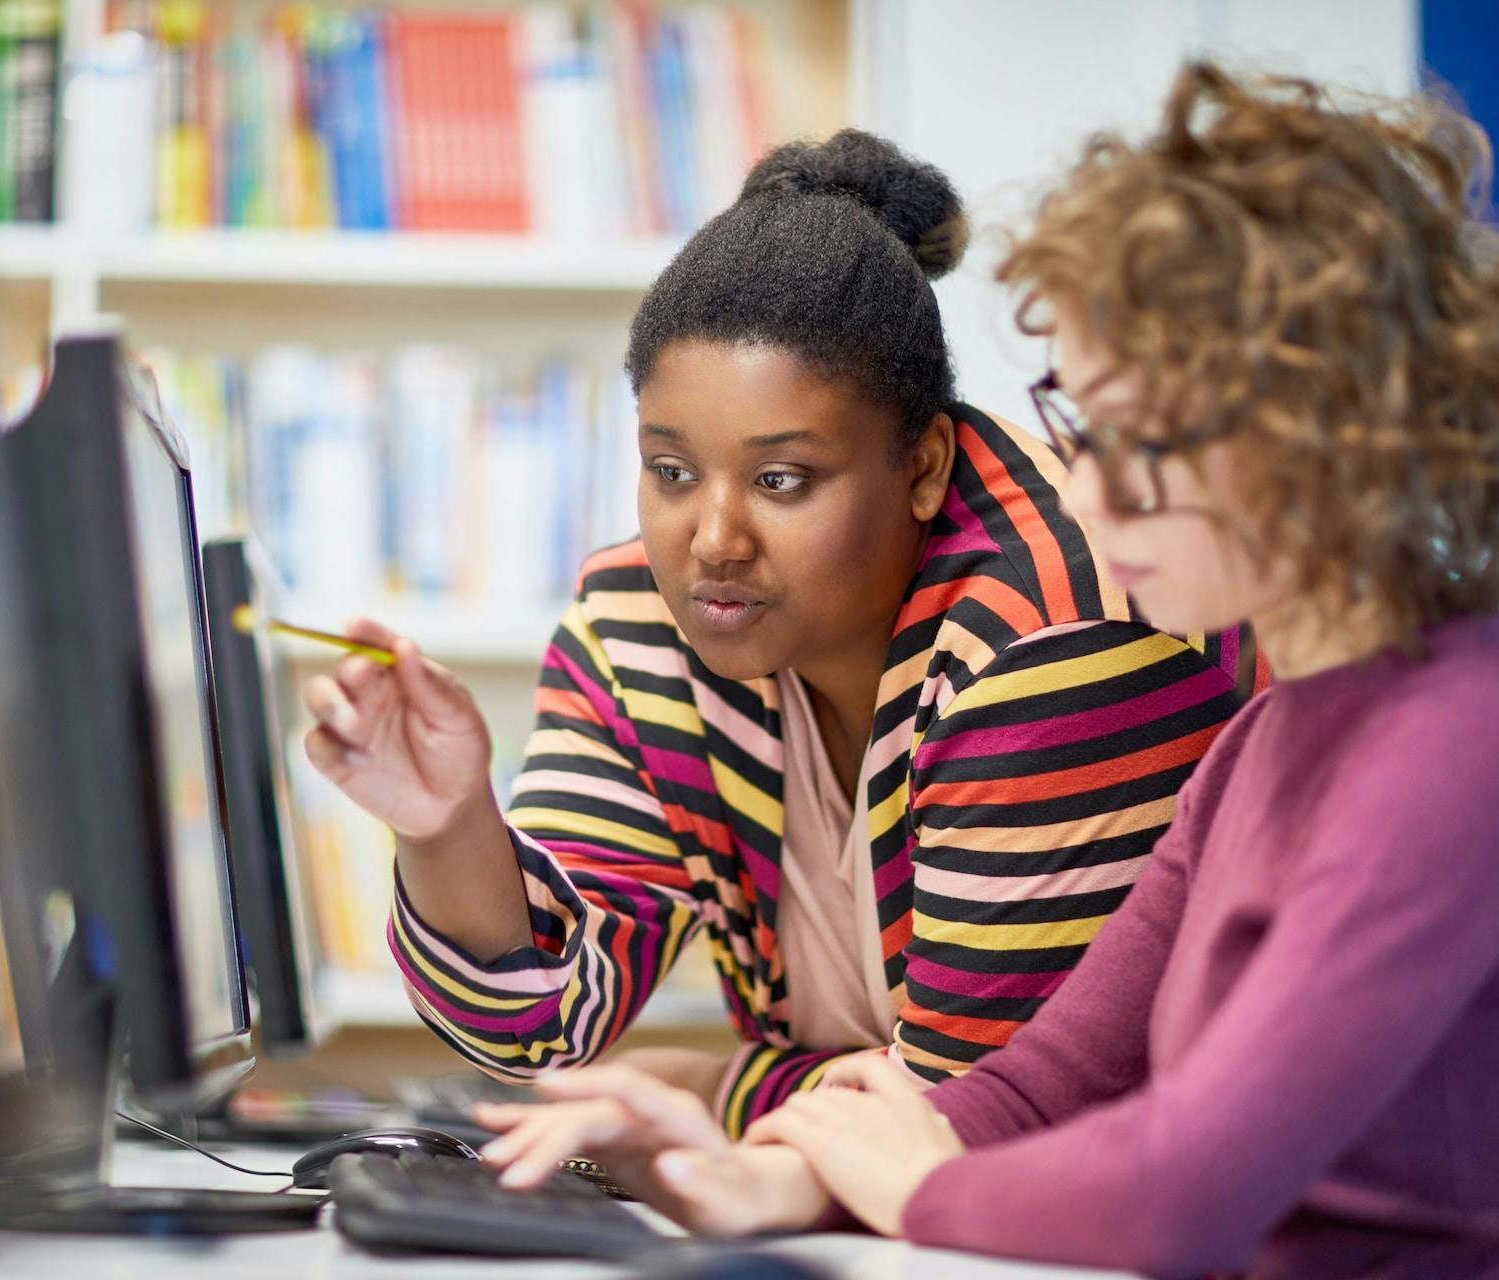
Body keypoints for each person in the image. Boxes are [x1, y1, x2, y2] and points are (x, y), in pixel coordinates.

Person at [478, 63, 1499, 1278]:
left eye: (1140, 440)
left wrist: (905, 1180)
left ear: (1327, 427)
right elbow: (1031, 1088)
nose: (1086, 488)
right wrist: (763, 1172)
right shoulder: (1267, 740)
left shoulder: (1453, 742)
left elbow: (1177, 1190)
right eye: (1080, 425)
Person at [305, 130, 1261, 1140]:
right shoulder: (641, 617)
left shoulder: (1054, 633)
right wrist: (449, 826)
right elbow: (539, 1019)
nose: (710, 540)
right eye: (670, 470)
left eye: (780, 480)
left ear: (925, 467)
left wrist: (711, 1089)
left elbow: (978, 1125)